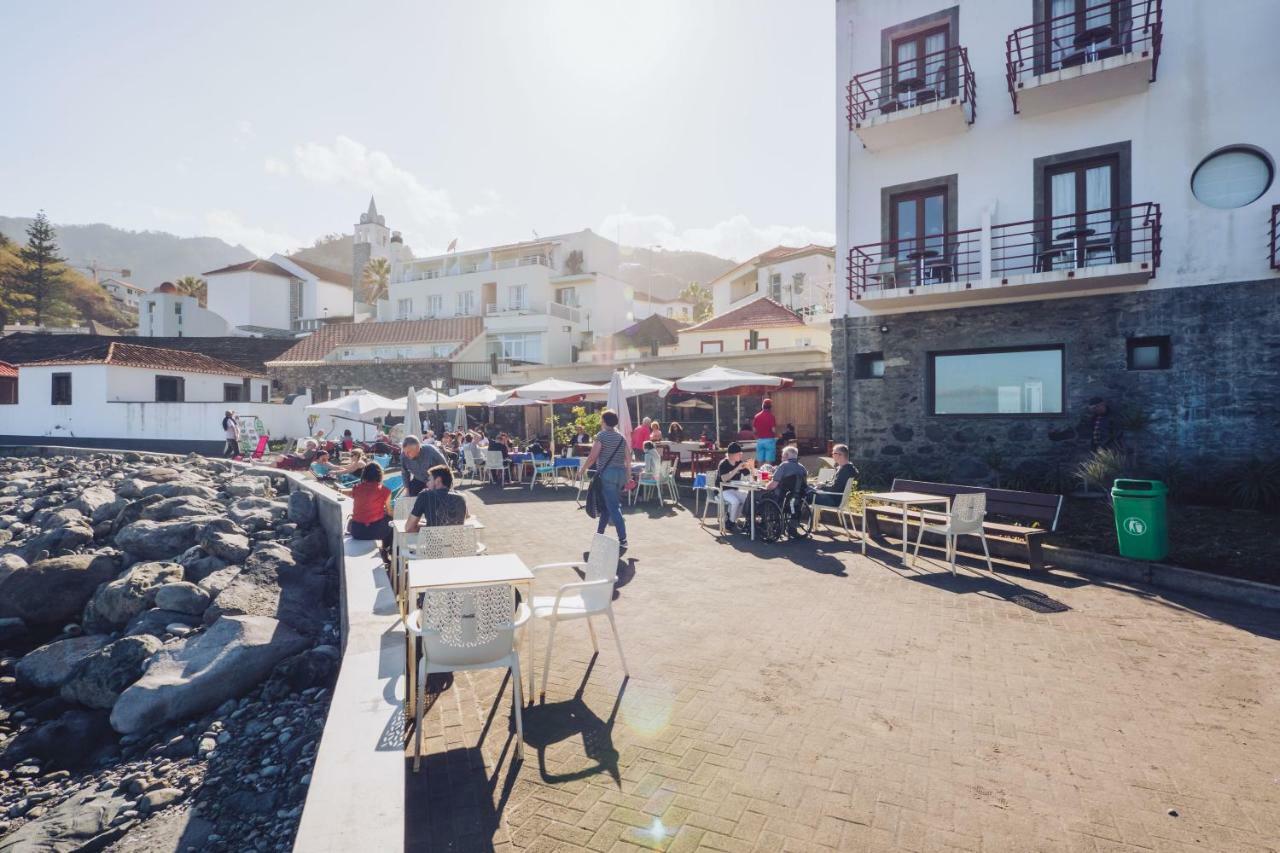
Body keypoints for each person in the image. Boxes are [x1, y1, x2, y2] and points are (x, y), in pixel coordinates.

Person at [583, 409, 630, 552]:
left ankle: (623, 540)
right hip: (620, 474)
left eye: (601, 420)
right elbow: (628, 458)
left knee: (614, 507)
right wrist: (628, 476)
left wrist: (583, 468)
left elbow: (593, 456)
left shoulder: (601, 436)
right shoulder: (621, 437)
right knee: (607, 506)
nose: (600, 422)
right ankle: (599, 534)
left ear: (604, 421)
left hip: (607, 475)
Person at [346, 462, 393, 558]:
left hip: (357, 532)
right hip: (375, 532)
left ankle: (385, 550)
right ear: (380, 475)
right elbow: (389, 512)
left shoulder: (356, 488)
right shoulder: (385, 490)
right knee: (391, 522)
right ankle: (386, 550)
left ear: (364, 474)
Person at [406, 464, 467, 532]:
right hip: (456, 542)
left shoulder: (425, 496)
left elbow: (409, 528)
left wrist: (428, 526)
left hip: (432, 541)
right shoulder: (462, 498)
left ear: (438, 480)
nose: (427, 484)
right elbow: (462, 520)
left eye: (429, 480)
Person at [715, 442, 753, 529]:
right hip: (722, 490)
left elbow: (748, 475)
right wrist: (737, 468)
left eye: (741, 454)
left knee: (748, 499)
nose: (741, 456)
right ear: (732, 455)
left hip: (735, 490)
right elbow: (724, 478)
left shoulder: (739, 462)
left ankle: (733, 517)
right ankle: (730, 523)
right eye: (739, 454)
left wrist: (751, 467)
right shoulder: (723, 463)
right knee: (735, 501)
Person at [753, 398, 777, 464]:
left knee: (760, 462)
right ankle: (766, 474)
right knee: (768, 463)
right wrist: (778, 435)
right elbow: (773, 430)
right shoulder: (771, 416)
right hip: (770, 440)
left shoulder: (757, 416)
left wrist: (757, 437)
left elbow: (754, 430)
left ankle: (759, 474)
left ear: (762, 406)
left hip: (760, 440)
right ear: (770, 407)